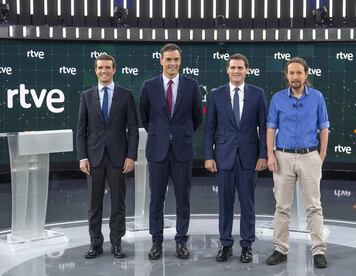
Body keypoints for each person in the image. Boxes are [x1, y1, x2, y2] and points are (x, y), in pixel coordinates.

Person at [140, 43, 202, 260]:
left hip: (182, 151)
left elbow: (197, 118)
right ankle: (156, 242)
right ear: (161, 60)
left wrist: (179, 135)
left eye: (176, 59)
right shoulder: (148, 86)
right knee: (156, 199)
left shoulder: (191, 85)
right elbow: (146, 118)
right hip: (157, 151)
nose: (172, 63)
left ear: (180, 61)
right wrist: (162, 135)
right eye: (168, 59)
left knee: (183, 199)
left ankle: (181, 241)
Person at [266, 57, 329, 268]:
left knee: (314, 206)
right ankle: (280, 249)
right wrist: (270, 155)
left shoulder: (317, 97)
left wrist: (321, 156)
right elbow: (271, 128)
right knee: (282, 207)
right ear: (287, 75)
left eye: (299, 73)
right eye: (291, 73)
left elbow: (324, 127)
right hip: (283, 156)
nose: (295, 76)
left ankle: (318, 250)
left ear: (306, 74)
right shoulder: (277, 99)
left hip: (310, 156)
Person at [204, 53, 267, 263]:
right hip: (223, 157)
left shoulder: (258, 94)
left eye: (240, 68)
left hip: (249, 158)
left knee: (248, 204)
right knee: (225, 204)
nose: (237, 71)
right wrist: (208, 156)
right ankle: (225, 244)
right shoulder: (216, 94)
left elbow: (265, 127)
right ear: (227, 70)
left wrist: (263, 155)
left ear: (247, 70)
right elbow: (209, 128)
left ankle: (247, 245)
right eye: (233, 68)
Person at [76, 54, 139, 259]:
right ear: (96, 70)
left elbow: (133, 129)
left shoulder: (126, 95)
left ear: (114, 70)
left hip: (119, 159)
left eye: (108, 68)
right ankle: (95, 243)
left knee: (118, 203)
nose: (104, 71)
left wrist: (131, 156)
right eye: (101, 67)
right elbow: (81, 130)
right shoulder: (86, 96)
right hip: (93, 159)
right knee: (94, 205)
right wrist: (82, 157)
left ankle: (116, 243)